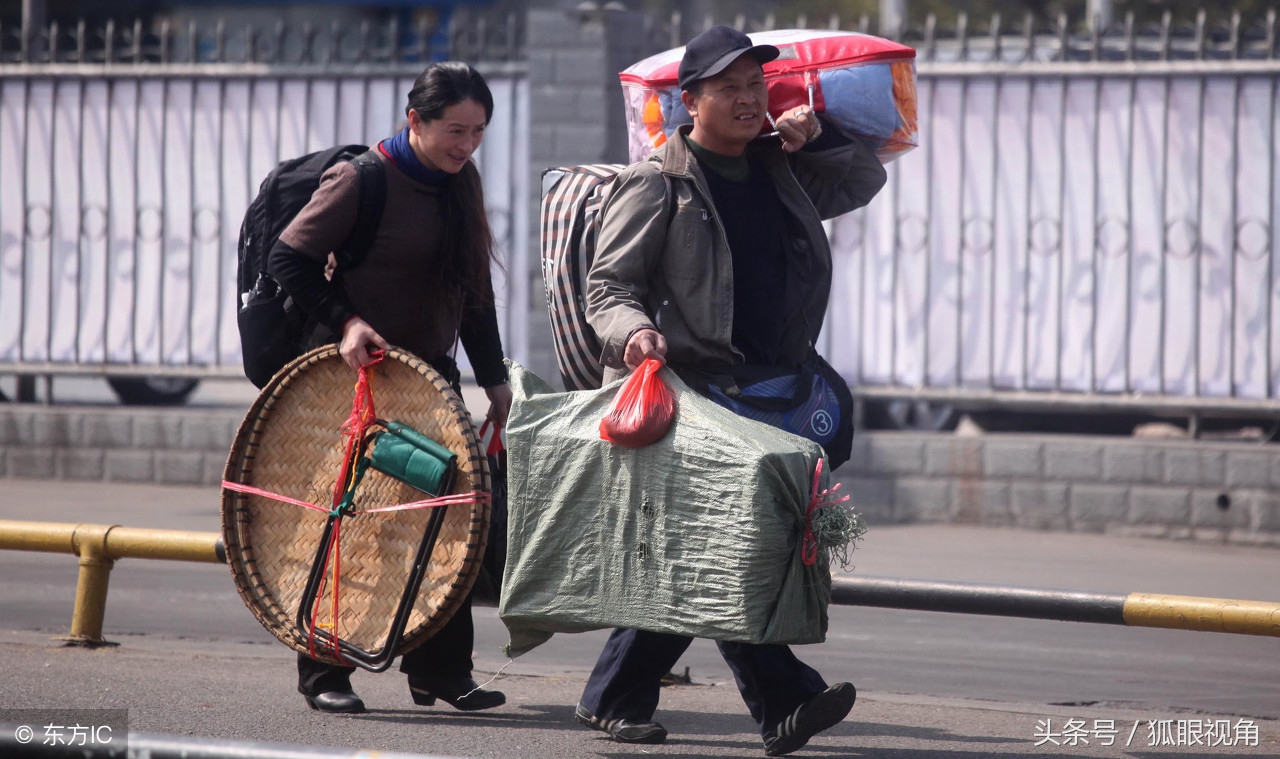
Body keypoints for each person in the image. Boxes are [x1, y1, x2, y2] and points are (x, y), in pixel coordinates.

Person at [576, 26, 887, 757]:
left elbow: (862, 181)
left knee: (710, 550)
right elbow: (608, 285)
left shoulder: (779, 165)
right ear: (691, 102)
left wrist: (814, 138)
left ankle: (614, 693)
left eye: (757, 87)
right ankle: (787, 699)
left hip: (777, 385)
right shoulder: (658, 181)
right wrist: (630, 333)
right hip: (700, 390)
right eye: (731, 89)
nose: (750, 101)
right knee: (733, 544)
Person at [267, 61, 512, 715]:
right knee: (347, 522)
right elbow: (287, 257)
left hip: (430, 380)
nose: (465, 145)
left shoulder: (461, 184)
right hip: (355, 382)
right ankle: (325, 672)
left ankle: (442, 670)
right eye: (454, 130)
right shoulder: (361, 180)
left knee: (448, 519)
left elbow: (474, 293)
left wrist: (496, 381)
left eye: (477, 132)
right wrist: (346, 323)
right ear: (416, 121)